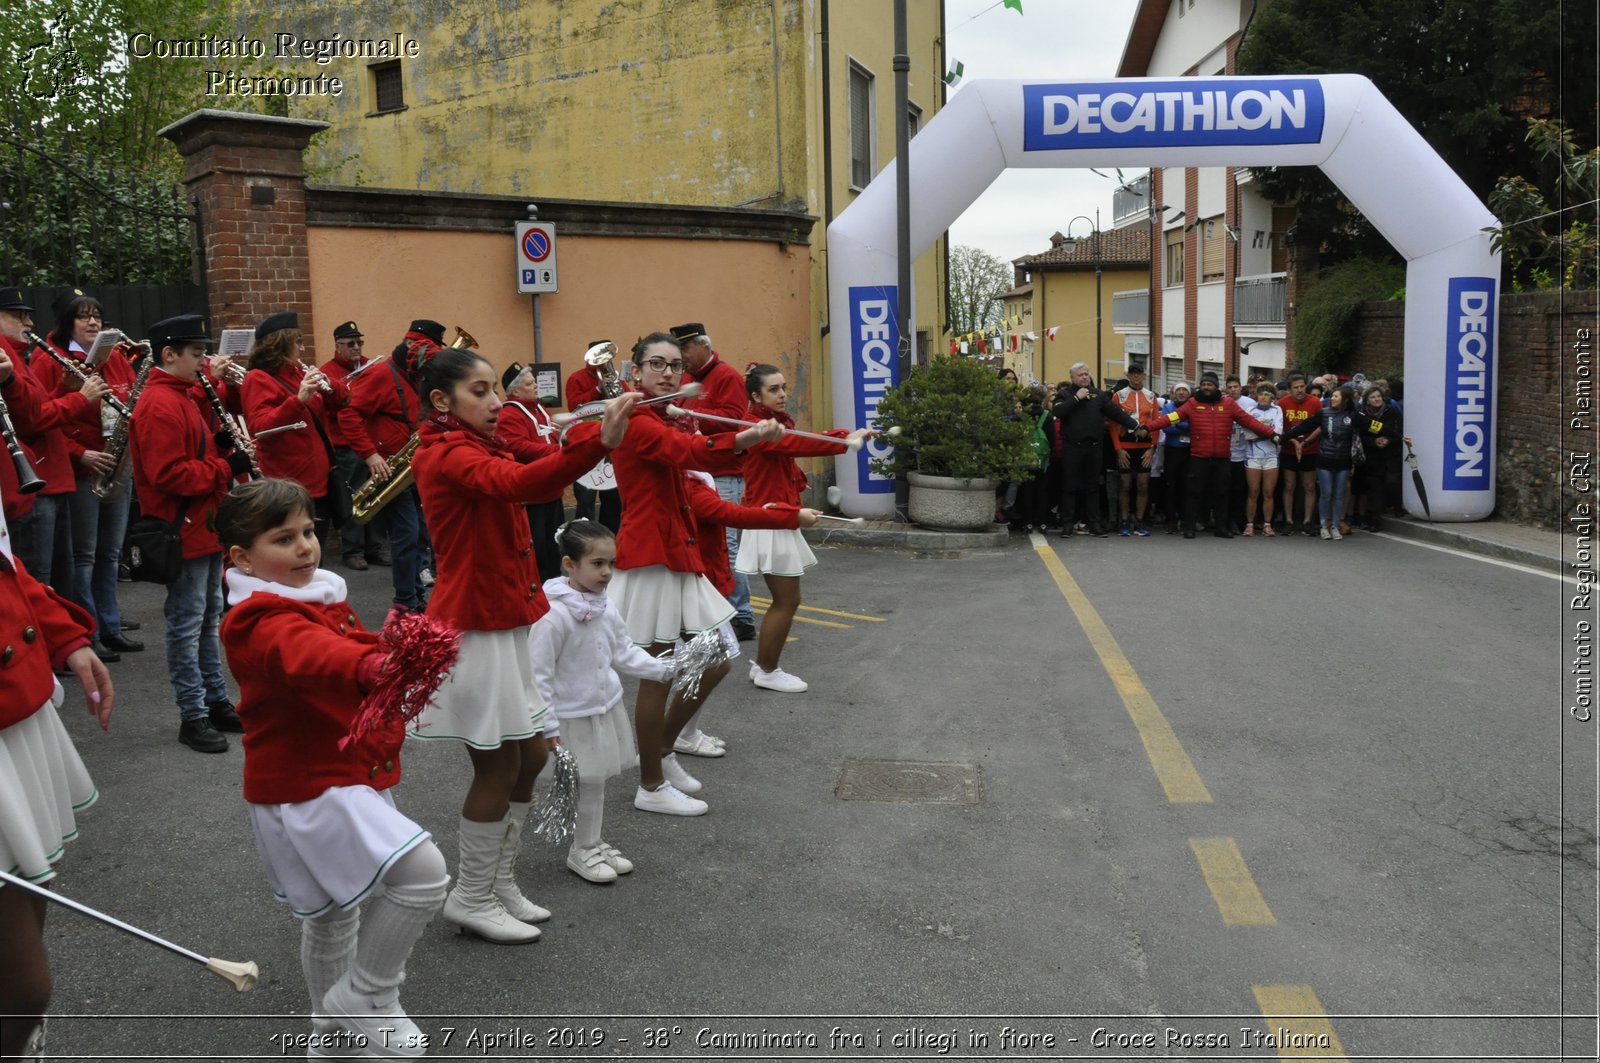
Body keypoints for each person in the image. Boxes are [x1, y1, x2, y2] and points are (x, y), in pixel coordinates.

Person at [408, 346, 630, 943]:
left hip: (507, 621)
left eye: (495, 389)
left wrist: (585, 427)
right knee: (500, 764)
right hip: (476, 627)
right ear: (441, 401)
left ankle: (497, 881)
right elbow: (520, 482)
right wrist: (598, 441)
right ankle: (470, 896)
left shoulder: (481, 443)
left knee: (532, 756)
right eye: (479, 391)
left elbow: (534, 457)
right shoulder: (447, 454)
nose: (495, 402)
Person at [217, 478, 446, 1056]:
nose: (305, 547)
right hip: (306, 786)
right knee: (422, 873)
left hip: (334, 774)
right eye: (284, 538)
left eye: (310, 532)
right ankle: (367, 997)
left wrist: (396, 648)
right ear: (242, 559)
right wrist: (372, 666)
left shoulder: (313, 592)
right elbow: (307, 651)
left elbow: (343, 639)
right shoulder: (255, 618)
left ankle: (332, 1035)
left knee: (332, 916)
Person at [609, 332, 781, 816]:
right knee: (660, 674)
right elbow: (694, 455)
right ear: (636, 371)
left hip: (678, 551)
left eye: (675, 366)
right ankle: (650, 783)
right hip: (653, 555)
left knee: (717, 658)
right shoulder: (637, 420)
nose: (668, 373)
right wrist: (746, 436)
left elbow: (702, 453)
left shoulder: (662, 415)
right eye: (657, 364)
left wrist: (746, 440)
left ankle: (661, 751)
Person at [0, 478, 114, 1061]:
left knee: (38, 877)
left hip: (15, 702)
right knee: (26, 986)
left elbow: (3, 550)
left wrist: (66, 636)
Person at [129, 314, 254, 752]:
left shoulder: (183, 395)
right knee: (186, 624)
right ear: (169, 354)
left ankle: (216, 701)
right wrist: (228, 467)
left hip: (202, 526)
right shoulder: (159, 404)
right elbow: (169, 475)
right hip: (179, 527)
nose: (204, 362)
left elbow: (192, 449)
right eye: (197, 354)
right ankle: (192, 713)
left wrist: (220, 445)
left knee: (207, 618)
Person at [528, 519, 675, 883]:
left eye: (611, 563)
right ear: (569, 564)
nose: (608, 572)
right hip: (570, 716)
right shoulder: (552, 615)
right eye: (597, 564)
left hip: (603, 709)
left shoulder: (606, 607)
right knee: (585, 780)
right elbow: (539, 675)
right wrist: (547, 725)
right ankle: (581, 850)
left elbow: (622, 652)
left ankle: (590, 843)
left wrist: (662, 669)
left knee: (597, 781)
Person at [736, 363, 865, 692]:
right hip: (770, 517)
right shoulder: (760, 427)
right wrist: (845, 440)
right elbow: (797, 445)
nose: (782, 395)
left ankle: (764, 666)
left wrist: (798, 484)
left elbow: (785, 459)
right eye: (773, 390)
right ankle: (767, 669)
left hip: (778, 513)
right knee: (786, 601)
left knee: (786, 600)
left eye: (783, 388)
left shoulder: (772, 424)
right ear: (756, 395)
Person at [35, 291, 142, 659]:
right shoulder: (51, 360)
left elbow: (130, 402)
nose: (93, 322)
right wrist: (80, 454)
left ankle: (111, 626)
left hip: (116, 463)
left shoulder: (113, 356)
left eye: (96, 315)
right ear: (67, 323)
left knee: (111, 552)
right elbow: (38, 418)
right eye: (83, 317)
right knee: (84, 555)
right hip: (82, 469)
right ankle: (88, 630)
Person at [338, 320, 436, 614]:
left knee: (419, 531)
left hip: (413, 464)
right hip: (389, 468)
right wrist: (370, 455)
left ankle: (416, 592)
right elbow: (349, 415)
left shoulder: (414, 375)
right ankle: (405, 599)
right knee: (406, 532)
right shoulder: (381, 374)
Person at [671, 322, 758, 641]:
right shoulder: (687, 378)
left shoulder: (727, 376)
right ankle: (716, 610)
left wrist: (690, 416)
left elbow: (734, 422)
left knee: (728, 546)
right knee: (708, 543)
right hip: (698, 468)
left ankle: (743, 614)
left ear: (703, 345)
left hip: (722, 469)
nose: (681, 357)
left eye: (685, 349)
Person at [241, 311, 347, 548]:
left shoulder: (299, 372)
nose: (302, 347)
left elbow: (342, 400)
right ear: (280, 344)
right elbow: (259, 427)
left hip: (320, 480)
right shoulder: (258, 379)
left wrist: (330, 386)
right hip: (288, 483)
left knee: (314, 551)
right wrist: (297, 401)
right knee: (295, 553)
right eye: (297, 342)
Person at [1143, 372, 1279, 539]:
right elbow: (1169, 419)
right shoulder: (1192, 403)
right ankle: (1189, 527)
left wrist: (1272, 434)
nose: (1207, 387)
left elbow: (1250, 421)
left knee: (1222, 493)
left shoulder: (1229, 404)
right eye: (1204, 384)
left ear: (1216, 386)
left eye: (1210, 384)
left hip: (1222, 458)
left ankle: (1221, 528)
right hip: (1199, 457)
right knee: (1193, 493)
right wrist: (1148, 427)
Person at [321, 320, 388, 572]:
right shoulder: (327, 371)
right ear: (338, 346)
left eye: (360, 342)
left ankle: (375, 547)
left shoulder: (370, 367)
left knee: (377, 496)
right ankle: (353, 551)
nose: (357, 347)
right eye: (351, 343)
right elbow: (327, 409)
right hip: (345, 446)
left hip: (371, 443)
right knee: (351, 499)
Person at [1283, 384, 1389, 540]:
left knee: (1339, 494)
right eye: (1332, 396)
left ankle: (1335, 525)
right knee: (1326, 493)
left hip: (1343, 460)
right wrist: (1282, 438)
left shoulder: (1354, 415)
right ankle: (1324, 525)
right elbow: (1303, 428)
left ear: (1344, 399)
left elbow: (1376, 427)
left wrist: (1397, 436)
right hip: (1324, 459)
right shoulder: (1323, 414)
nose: (1332, 398)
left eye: (1336, 396)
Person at [1051, 362, 1144, 538]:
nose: (1085, 377)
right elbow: (1058, 412)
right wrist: (1077, 398)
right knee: (1069, 486)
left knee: (1092, 487)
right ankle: (1068, 524)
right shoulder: (1064, 394)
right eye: (1080, 375)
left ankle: (1094, 524)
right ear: (1072, 377)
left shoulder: (1098, 395)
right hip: (1072, 447)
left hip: (1094, 448)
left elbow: (1115, 412)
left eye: (1086, 374)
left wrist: (1134, 425)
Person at [499, 361, 566, 583]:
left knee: (553, 546)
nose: (536, 386)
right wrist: (556, 450)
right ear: (515, 390)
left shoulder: (539, 409)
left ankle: (554, 586)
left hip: (552, 490)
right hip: (532, 495)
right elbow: (517, 447)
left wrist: (559, 442)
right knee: (537, 550)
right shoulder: (510, 413)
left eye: (535, 381)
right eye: (530, 383)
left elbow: (555, 434)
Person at [564, 340, 626, 534]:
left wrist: (621, 390)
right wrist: (598, 389)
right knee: (585, 499)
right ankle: (583, 539)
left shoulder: (615, 377)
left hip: (612, 446)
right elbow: (574, 407)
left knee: (614, 498)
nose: (604, 361)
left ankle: (611, 537)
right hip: (586, 444)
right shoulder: (577, 378)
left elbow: (627, 399)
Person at [1110, 363, 1162, 536]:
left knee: (1143, 485)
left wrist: (1152, 448)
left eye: (1139, 374)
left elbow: (1156, 424)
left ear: (1144, 375)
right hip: (1125, 446)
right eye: (1133, 374)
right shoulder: (1119, 396)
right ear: (1128, 375)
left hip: (1144, 448)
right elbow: (1112, 424)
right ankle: (1124, 521)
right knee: (1125, 485)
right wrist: (1118, 449)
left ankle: (1139, 521)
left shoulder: (1150, 396)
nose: (1136, 377)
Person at [1276, 372, 1322, 534]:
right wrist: (1294, 442)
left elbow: (1319, 426)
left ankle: (1308, 521)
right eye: (1296, 388)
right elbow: (1280, 429)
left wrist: (1306, 442)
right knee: (1289, 485)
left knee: (1309, 486)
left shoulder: (1315, 402)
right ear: (1289, 389)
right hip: (1289, 450)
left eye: (1302, 387)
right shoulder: (1282, 404)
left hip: (1310, 450)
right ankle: (1288, 520)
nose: (1300, 390)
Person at [1354, 384, 1402, 529]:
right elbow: (1360, 436)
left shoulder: (1392, 412)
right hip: (1373, 457)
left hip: (1390, 455)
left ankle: (1397, 507)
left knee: (1392, 482)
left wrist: (1388, 440)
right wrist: (1374, 442)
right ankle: (1374, 520)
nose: (1376, 399)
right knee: (1375, 488)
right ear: (1367, 400)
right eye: (1373, 397)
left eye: (1379, 396)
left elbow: (1399, 433)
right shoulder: (1363, 415)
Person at [1241, 382, 1285, 535]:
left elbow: (1278, 432)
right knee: (1253, 492)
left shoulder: (1277, 409)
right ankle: (1250, 524)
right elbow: (1247, 434)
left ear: (1272, 397)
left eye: (1267, 395)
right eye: (1260, 394)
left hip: (1271, 456)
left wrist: (1259, 429)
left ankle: (1267, 524)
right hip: (1253, 456)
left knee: (1268, 492)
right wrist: (1268, 432)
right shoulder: (1250, 410)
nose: (1263, 397)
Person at [1157, 382, 1192, 533]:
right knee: (1171, 485)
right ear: (1173, 393)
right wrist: (1183, 424)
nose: (1182, 392)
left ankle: (1185, 519)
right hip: (1172, 450)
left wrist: (1176, 422)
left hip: (1189, 451)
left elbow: (1193, 426)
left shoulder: (1192, 406)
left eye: (1185, 390)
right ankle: (1171, 519)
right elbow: (1166, 427)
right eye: (1179, 390)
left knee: (1186, 486)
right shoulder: (1168, 407)